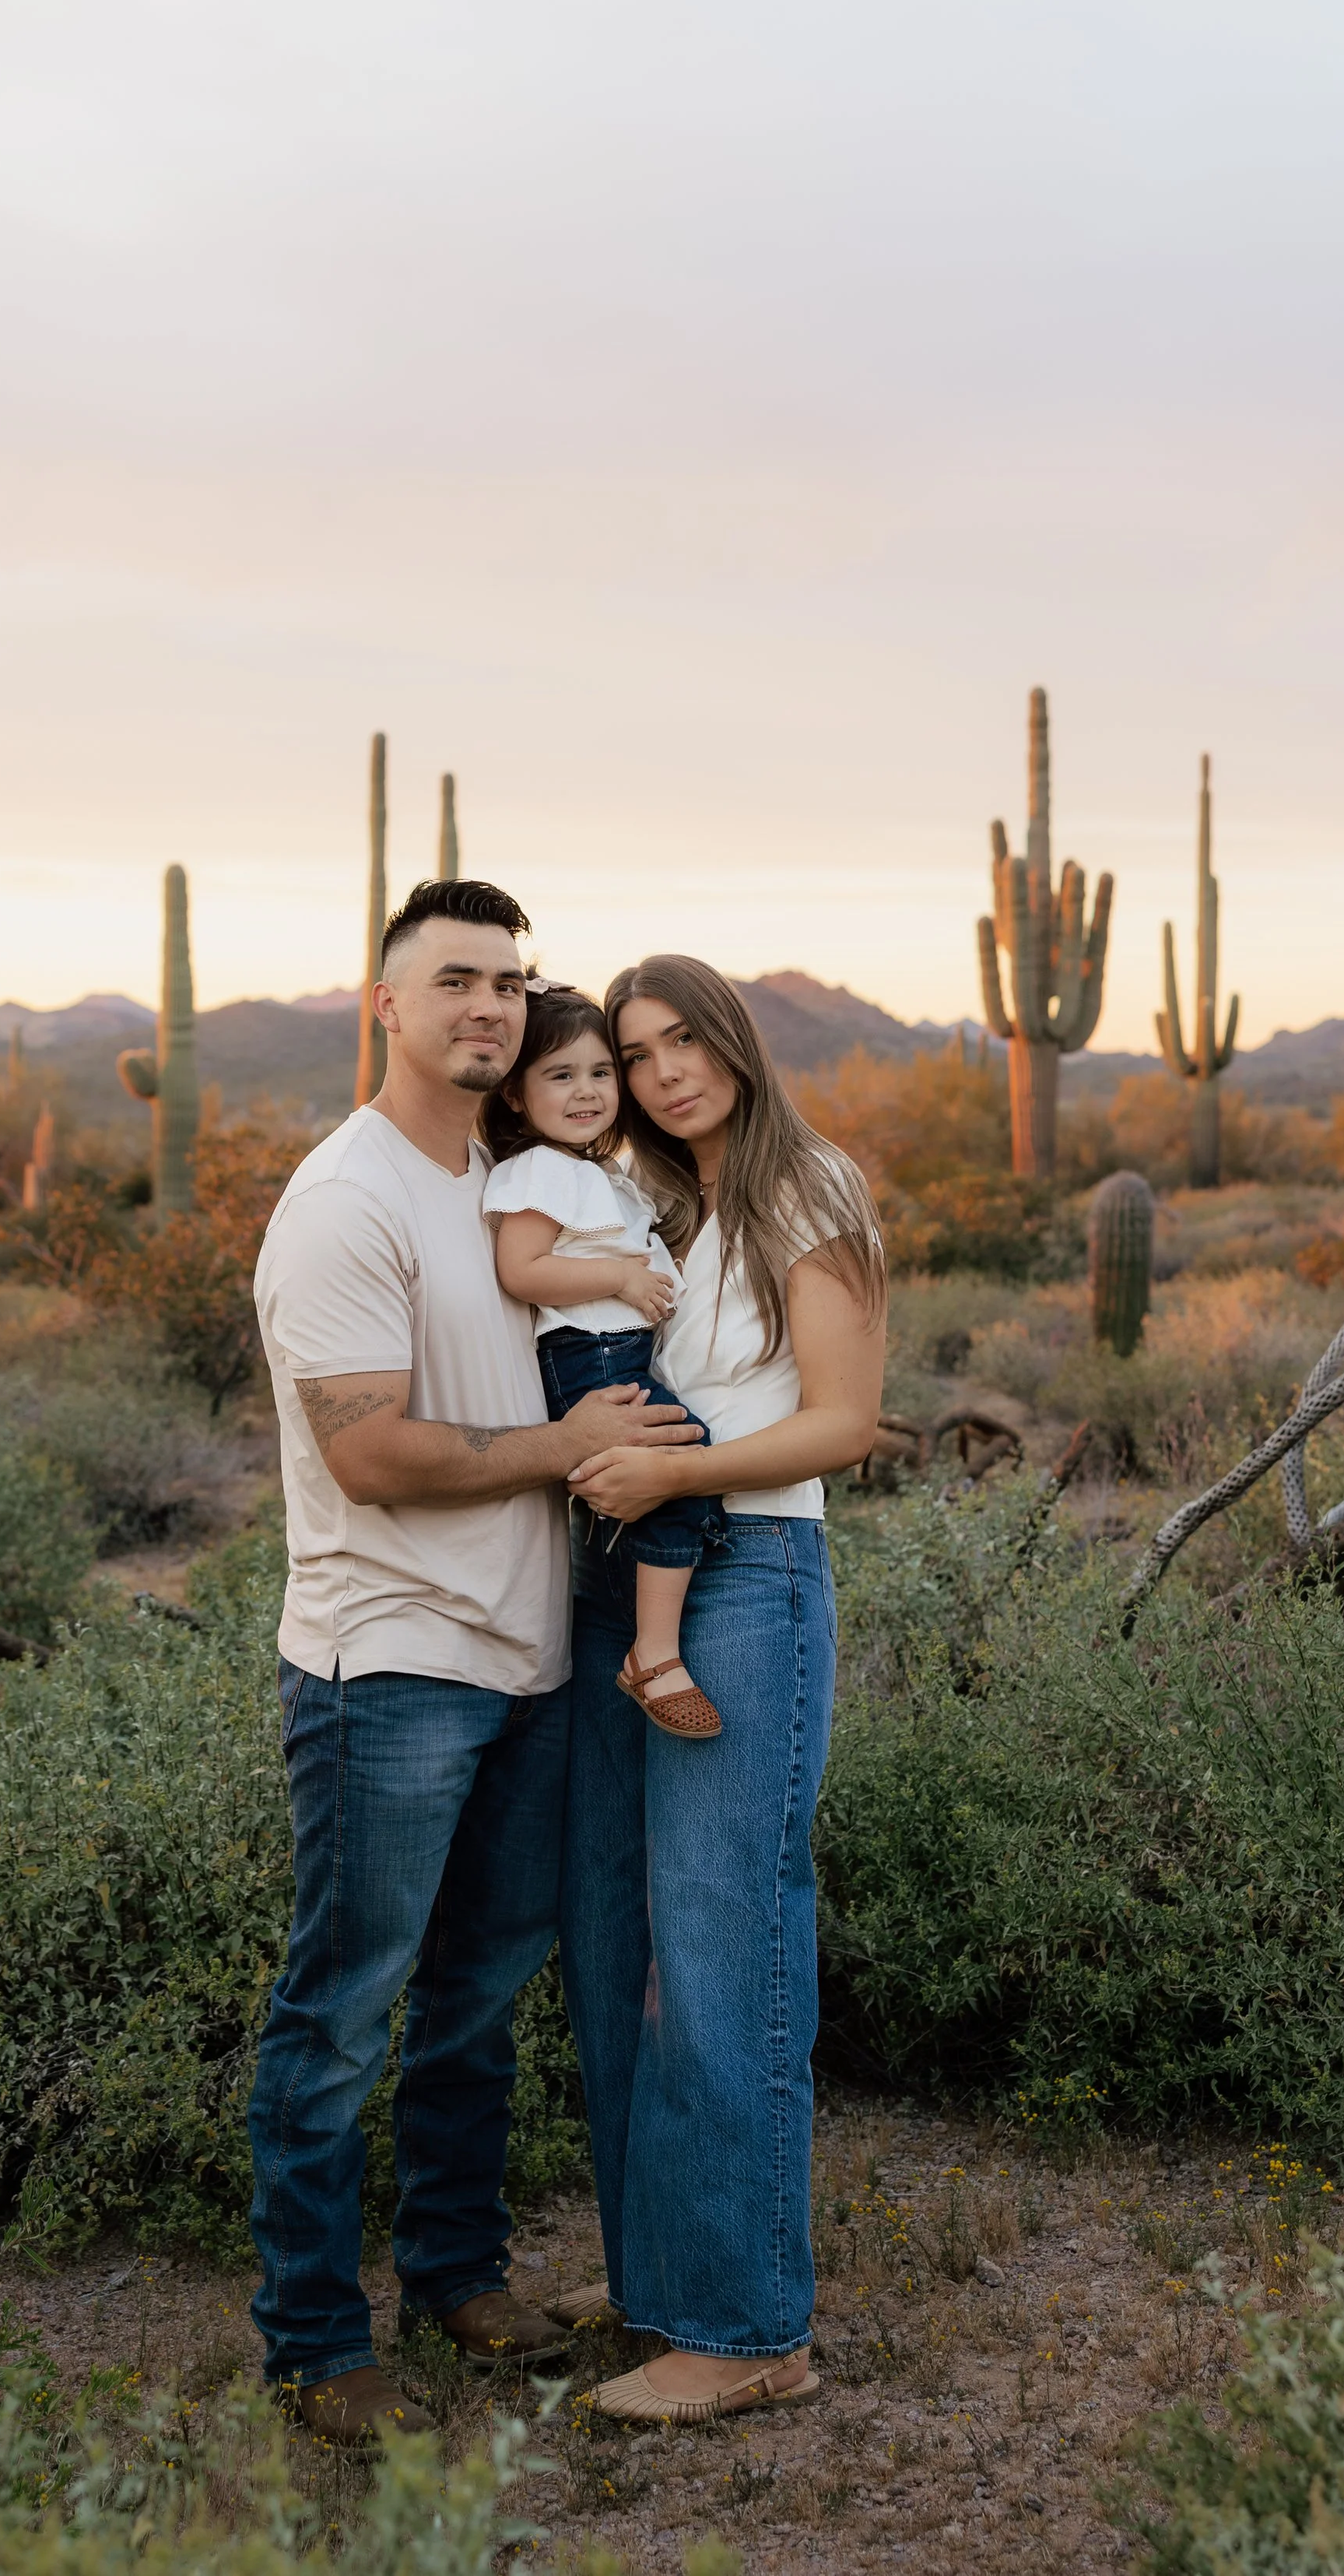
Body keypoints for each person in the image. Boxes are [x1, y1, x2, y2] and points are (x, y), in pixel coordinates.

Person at [245, 878, 703, 2448]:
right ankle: (314, 2341)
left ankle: (453, 2274)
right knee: (345, 2007)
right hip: (390, 1664)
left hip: (524, 1658)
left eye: (508, 982)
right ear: (385, 1004)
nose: (489, 1006)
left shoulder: (508, 1178)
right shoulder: (343, 1200)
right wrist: (568, 1446)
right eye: (454, 980)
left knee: (474, 2002)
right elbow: (370, 1453)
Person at [547, 954, 886, 2423]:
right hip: (635, 1575)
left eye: (689, 1038)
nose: (668, 1069)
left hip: (750, 1582)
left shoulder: (807, 1185)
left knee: (725, 1943)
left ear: (736, 1039)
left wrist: (675, 1469)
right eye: (638, 1052)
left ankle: (752, 2334)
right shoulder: (649, 1203)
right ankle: (660, 2277)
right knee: (629, 1948)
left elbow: (845, 1422)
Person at [483, 978, 725, 1739]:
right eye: (560, 1076)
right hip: (588, 1357)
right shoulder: (536, 1171)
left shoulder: (596, 1169)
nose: (586, 1091)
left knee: (661, 1475)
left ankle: (644, 1635)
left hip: (615, 1352)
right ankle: (653, 1655)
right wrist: (621, 1276)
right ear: (517, 1095)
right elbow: (521, 1269)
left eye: (599, 1073)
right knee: (682, 1460)